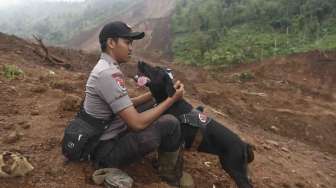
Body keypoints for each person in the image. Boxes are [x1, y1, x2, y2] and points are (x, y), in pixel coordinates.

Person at [80, 21, 192, 187]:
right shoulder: (108, 74)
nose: (131, 48)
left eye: (131, 43)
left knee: (154, 107)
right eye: (127, 42)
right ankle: (170, 175)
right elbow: (137, 123)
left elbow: (125, 104)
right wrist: (172, 99)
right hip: (106, 151)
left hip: (102, 135)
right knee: (170, 123)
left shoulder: (106, 67)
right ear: (111, 43)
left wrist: (156, 94)